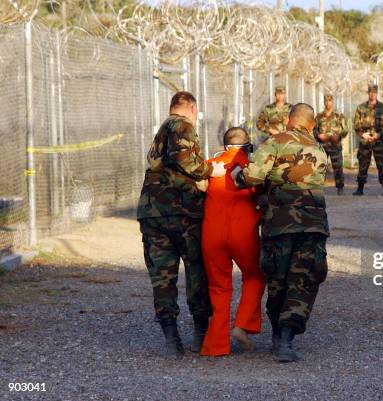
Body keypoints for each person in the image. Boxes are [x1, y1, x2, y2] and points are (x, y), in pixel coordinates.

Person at [231, 103, 329, 363]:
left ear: (288, 120)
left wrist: (237, 174)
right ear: (311, 124)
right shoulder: (319, 149)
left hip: (279, 224)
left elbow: (253, 176)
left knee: (278, 278)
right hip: (312, 224)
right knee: (303, 279)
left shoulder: (274, 142)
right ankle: (286, 338)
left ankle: (277, 334)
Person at [136, 91, 225, 359]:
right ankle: (200, 333)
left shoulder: (162, 131)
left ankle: (172, 338)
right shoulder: (181, 125)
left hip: (153, 214)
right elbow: (183, 158)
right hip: (182, 213)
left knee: (163, 278)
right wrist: (212, 171)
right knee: (197, 271)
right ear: (192, 108)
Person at [200, 127, 266, 356]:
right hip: (243, 232)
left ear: (224, 145)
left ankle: (215, 345)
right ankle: (243, 325)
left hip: (212, 233)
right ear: (247, 145)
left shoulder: (210, 165)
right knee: (255, 275)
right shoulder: (251, 168)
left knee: (218, 287)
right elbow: (262, 195)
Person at [353, 83, 383, 196]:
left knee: (382, 165)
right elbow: (356, 125)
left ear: (377, 93)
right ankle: (360, 188)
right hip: (365, 141)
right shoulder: (361, 108)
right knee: (363, 164)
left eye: (374, 92)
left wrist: (379, 135)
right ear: (368, 93)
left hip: (378, 141)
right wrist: (363, 134)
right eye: (371, 92)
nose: (372, 94)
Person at [315, 93, 348, 195]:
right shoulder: (319, 116)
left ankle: (340, 188)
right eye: (326, 101)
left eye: (329, 101)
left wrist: (338, 136)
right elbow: (314, 130)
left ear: (332, 102)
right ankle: (318, 188)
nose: (327, 103)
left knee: (338, 167)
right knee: (320, 167)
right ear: (324, 102)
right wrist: (318, 136)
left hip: (335, 145)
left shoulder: (338, 116)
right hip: (322, 146)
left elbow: (345, 129)